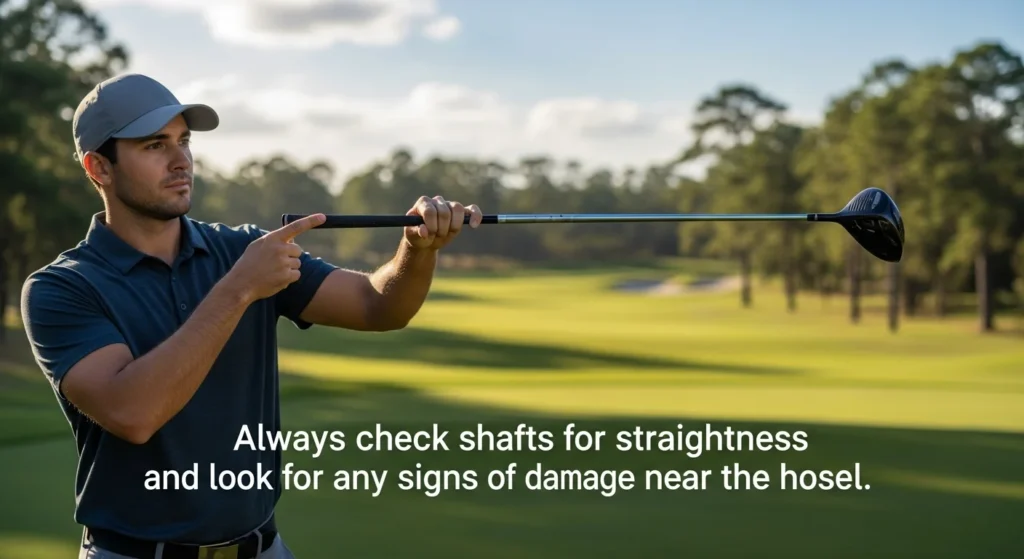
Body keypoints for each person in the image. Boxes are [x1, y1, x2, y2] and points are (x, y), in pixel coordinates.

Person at [19, 73, 483, 559]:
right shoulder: (62, 288)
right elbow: (133, 414)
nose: (181, 160)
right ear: (99, 168)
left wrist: (416, 250)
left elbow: (377, 305)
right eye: (155, 145)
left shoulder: (242, 249)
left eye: (183, 141)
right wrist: (239, 288)